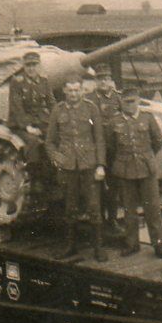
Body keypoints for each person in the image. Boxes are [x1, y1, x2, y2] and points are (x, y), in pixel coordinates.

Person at [45, 78, 107, 261]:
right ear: (65, 91)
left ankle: (98, 248)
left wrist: (101, 165)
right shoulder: (58, 110)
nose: (73, 94)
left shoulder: (91, 108)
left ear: (82, 91)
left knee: (94, 206)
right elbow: (49, 142)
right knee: (70, 206)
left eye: (76, 90)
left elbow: (99, 139)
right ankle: (70, 246)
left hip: (89, 164)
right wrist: (57, 158)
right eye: (70, 90)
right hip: (68, 166)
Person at [108, 87, 162, 259]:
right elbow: (111, 145)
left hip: (146, 170)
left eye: (132, 101)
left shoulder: (147, 118)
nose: (129, 105)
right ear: (121, 102)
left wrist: (147, 157)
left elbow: (158, 141)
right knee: (129, 210)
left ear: (138, 101)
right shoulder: (114, 122)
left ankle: (158, 244)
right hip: (125, 170)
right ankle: (132, 244)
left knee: (153, 209)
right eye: (126, 102)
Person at [86, 65, 123, 230]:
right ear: (95, 81)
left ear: (111, 81)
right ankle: (98, 219)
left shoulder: (118, 98)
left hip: (114, 148)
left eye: (106, 79)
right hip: (96, 148)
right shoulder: (90, 99)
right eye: (100, 78)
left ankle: (113, 219)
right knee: (97, 185)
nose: (103, 82)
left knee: (114, 186)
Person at [8, 51, 55, 167]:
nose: (31, 68)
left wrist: (59, 119)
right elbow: (17, 107)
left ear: (38, 66)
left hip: (40, 121)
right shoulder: (17, 82)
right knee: (33, 142)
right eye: (28, 65)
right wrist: (27, 127)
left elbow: (51, 102)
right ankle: (34, 174)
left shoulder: (44, 81)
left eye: (34, 65)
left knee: (55, 136)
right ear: (24, 66)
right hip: (20, 125)